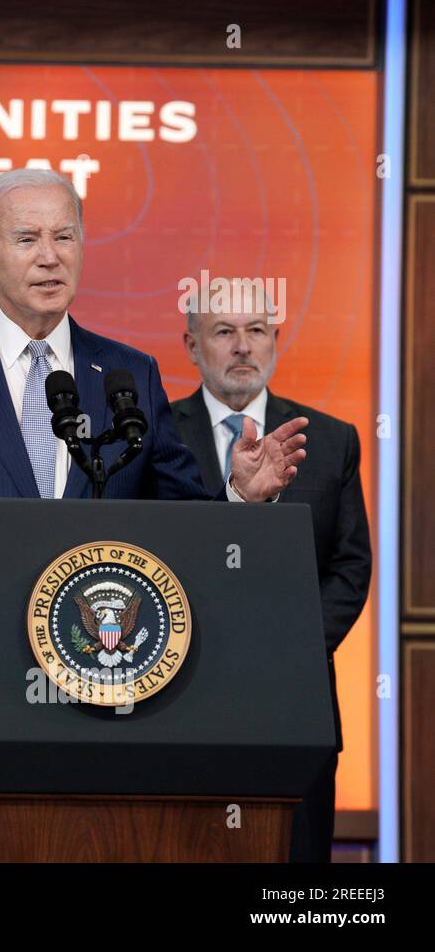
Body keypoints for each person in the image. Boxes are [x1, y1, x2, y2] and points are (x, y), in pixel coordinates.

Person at [0, 168, 309, 572]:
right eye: (26, 239)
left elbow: (186, 530)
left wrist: (241, 495)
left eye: (64, 236)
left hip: (101, 660)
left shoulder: (130, 374)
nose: (49, 257)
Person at [172, 284, 371, 862]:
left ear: (275, 341)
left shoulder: (331, 441)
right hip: (181, 699)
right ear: (191, 344)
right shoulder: (156, 435)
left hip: (296, 702)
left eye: (257, 330)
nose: (242, 346)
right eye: (223, 331)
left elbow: (349, 565)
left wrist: (295, 648)